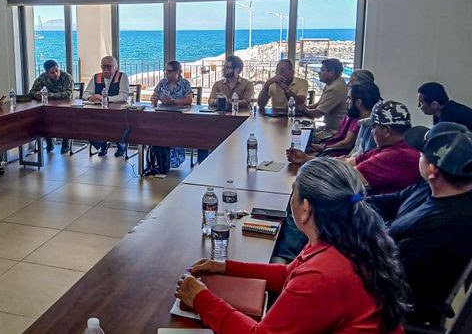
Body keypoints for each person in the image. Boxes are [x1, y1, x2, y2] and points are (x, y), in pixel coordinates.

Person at [176, 157, 409, 334]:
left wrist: (201, 299)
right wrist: (226, 267)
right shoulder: (344, 236)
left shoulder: (324, 272)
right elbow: (287, 273)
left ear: (306, 208)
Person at [367, 122, 472, 327]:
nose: (417, 156)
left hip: (392, 311)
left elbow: (386, 277)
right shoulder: (430, 187)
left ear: (432, 169)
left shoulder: (439, 228)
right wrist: (353, 203)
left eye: (421, 154)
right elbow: (393, 200)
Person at [289, 100, 421, 195]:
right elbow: (346, 163)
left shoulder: (396, 156)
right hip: (371, 204)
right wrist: (307, 159)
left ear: (386, 131)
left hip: (375, 214)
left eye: (373, 127)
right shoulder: (391, 148)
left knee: (303, 190)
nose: (372, 132)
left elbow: (343, 177)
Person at [310, 70, 377, 155]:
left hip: (336, 152)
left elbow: (347, 144)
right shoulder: (359, 114)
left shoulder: (359, 116)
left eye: (352, 81)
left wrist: (323, 148)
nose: (348, 84)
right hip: (336, 149)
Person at [82, 56, 130, 157]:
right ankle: (102, 143)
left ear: (115, 67)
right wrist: (91, 97)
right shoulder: (96, 77)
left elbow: (123, 96)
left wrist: (105, 99)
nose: (106, 69)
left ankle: (120, 146)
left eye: (109, 66)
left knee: (116, 123)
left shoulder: (122, 76)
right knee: (85, 122)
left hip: (117, 111)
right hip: (99, 111)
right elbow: (85, 94)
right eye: (104, 66)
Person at [150, 61, 194, 168]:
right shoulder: (162, 82)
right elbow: (154, 95)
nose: (166, 73)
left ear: (177, 72)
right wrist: (154, 99)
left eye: (169, 71)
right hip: (162, 116)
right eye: (165, 71)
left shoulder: (184, 83)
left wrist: (173, 101)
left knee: (173, 132)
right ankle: (159, 160)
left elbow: (189, 99)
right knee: (153, 130)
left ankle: (172, 159)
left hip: (178, 117)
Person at [29, 59, 74, 153]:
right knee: (42, 117)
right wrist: (37, 94)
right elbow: (32, 91)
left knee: (67, 118)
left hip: (65, 106)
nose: (56, 74)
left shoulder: (67, 77)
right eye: (52, 72)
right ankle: (49, 141)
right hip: (49, 107)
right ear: (47, 73)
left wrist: (48, 95)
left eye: (57, 71)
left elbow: (67, 94)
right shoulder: (42, 78)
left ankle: (66, 142)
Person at [303, 58, 348, 133]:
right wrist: (306, 107)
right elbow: (318, 105)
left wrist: (302, 109)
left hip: (335, 132)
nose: (319, 72)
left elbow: (317, 114)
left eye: (322, 70)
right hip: (330, 128)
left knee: (304, 135)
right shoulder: (333, 84)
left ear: (331, 72)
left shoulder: (334, 88)